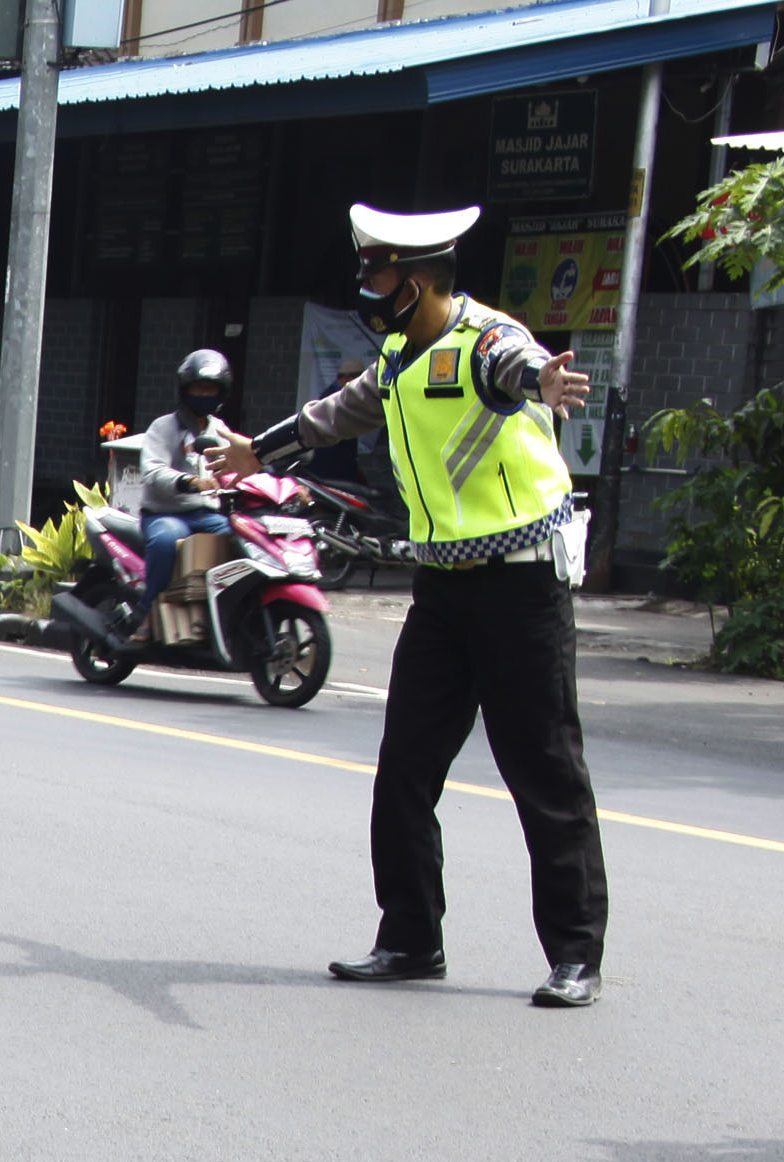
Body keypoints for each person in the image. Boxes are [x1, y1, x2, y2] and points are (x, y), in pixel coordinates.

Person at [219, 204, 605, 1007]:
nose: (366, 286)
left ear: (417, 280)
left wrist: (547, 380)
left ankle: (575, 954)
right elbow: (332, 416)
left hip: (520, 585)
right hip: (442, 591)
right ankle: (409, 938)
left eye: (378, 273)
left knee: (542, 767)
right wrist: (256, 452)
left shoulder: (485, 340)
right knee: (404, 770)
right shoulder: (397, 359)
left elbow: (520, 368)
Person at [122, 349, 236, 633]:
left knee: (237, 540)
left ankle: (220, 617)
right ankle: (146, 612)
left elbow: (234, 467)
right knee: (166, 541)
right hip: (165, 514)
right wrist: (191, 482)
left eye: (210, 389)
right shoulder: (163, 427)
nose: (204, 394)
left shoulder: (220, 430)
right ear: (185, 390)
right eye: (199, 387)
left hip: (206, 515)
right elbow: (153, 471)